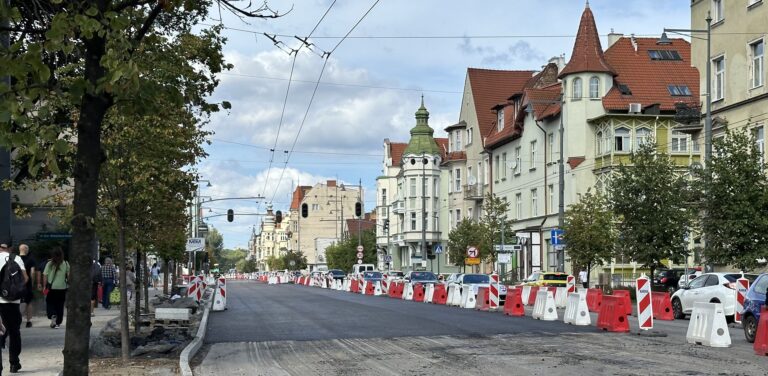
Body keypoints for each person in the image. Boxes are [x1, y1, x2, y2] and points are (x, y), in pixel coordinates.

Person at [0, 243, 29, 374]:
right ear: (10, 248)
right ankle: (14, 363)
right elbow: (25, 278)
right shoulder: (16, 258)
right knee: (14, 332)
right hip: (12, 301)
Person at [43, 247, 69, 329]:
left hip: (51, 288)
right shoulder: (66, 263)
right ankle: (57, 323)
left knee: (50, 302)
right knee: (60, 305)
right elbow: (69, 276)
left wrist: (44, 286)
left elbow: (45, 275)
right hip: (62, 287)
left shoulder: (49, 264)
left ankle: (52, 315)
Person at [17, 244, 35, 328]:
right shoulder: (31, 260)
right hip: (27, 284)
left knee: (17, 303)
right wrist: (32, 283)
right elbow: (32, 272)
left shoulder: (15, 259)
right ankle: (28, 321)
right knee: (28, 302)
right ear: (26, 250)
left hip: (17, 284)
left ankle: (17, 319)